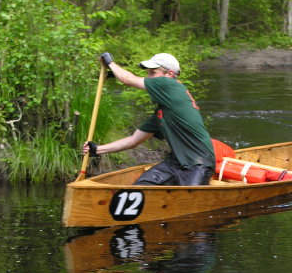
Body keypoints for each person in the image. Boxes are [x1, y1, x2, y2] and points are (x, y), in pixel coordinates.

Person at [83, 52, 215, 186]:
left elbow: (127, 79)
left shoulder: (170, 84)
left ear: (169, 74)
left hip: (198, 164)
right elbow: (133, 141)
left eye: (153, 72)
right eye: (148, 73)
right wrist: (97, 149)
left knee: (188, 200)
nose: (149, 77)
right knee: (140, 187)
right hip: (174, 163)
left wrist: (109, 62)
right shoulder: (162, 113)